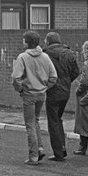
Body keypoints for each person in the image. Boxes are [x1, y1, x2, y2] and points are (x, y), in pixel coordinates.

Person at [11, 31, 58, 165]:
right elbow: (53, 77)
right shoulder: (45, 56)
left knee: (30, 124)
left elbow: (15, 78)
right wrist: (44, 88)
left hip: (29, 94)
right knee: (35, 121)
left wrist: (20, 89)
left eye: (23, 40)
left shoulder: (23, 57)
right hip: (41, 94)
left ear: (27, 42)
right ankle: (40, 148)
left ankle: (33, 156)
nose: (22, 42)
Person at [43, 32, 80, 161]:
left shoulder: (45, 55)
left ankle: (58, 152)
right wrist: (66, 82)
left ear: (48, 41)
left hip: (52, 90)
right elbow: (76, 71)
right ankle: (62, 148)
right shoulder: (69, 53)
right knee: (58, 119)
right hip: (65, 91)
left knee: (53, 121)